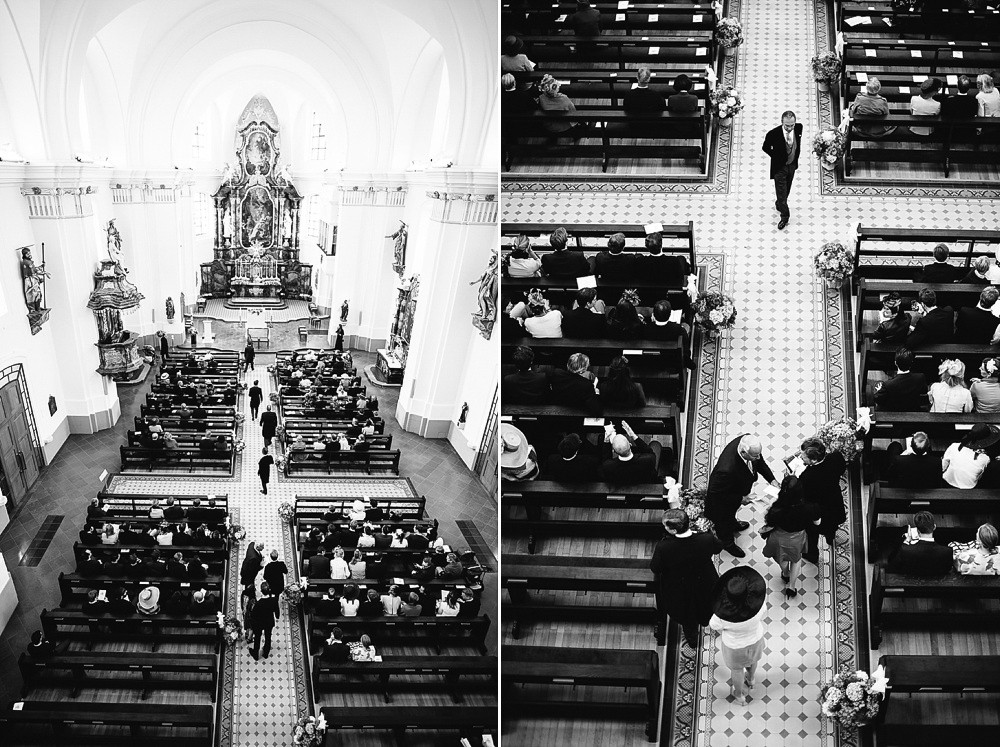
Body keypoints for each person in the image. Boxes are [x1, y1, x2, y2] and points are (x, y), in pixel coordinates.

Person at [649, 509, 723, 647]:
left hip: (679, 588)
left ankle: (693, 640)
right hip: (705, 581)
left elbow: (655, 568)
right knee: (707, 605)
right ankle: (706, 620)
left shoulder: (664, 547)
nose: (664, 528)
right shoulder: (705, 539)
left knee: (688, 618)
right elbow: (718, 547)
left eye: (666, 526)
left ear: (673, 531)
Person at [705, 434, 777, 558]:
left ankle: (733, 524)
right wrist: (741, 499)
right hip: (721, 501)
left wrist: (772, 480)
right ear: (744, 453)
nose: (758, 457)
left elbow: (760, 463)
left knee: (731, 515)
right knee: (723, 521)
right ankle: (727, 543)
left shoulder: (747, 442)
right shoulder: (725, 470)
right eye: (755, 456)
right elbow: (716, 493)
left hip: (734, 489)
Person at [708, 566, 768, 706]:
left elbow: (713, 625)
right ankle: (751, 679)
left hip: (734, 647)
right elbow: (764, 611)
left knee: (737, 670)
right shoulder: (758, 606)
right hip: (756, 639)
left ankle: (739, 694)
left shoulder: (722, 616)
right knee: (753, 661)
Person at [762, 476, 820, 597]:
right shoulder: (810, 507)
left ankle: (785, 574)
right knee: (796, 559)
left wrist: (762, 530)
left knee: (780, 558)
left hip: (778, 539)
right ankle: (791, 587)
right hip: (797, 539)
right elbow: (817, 523)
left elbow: (770, 526)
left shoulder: (776, 509)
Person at [797, 438, 847, 565]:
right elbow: (841, 468)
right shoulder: (835, 457)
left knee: (812, 534)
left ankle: (812, 554)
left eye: (803, 457)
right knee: (832, 525)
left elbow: (803, 496)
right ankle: (830, 537)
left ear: (813, 460)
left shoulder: (807, 477)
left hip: (817, 509)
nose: (801, 458)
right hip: (834, 501)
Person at [761, 110, 803, 230]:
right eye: (787, 125)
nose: (790, 128)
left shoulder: (799, 128)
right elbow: (765, 147)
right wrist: (777, 156)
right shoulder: (773, 134)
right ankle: (785, 216)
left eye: (792, 125)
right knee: (781, 193)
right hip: (780, 168)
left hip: (792, 166)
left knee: (787, 189)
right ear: (782, 122)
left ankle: (780, 203)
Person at [886, 512, 954, 576]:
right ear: (934, 527)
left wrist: (905, 542)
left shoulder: (905, 550)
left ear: (917, 530)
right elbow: (947, 570)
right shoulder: (947, 552)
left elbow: (892, 565)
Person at [942, 423, 999, 488]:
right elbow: (980, 476)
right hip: (969, 487)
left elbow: (943, 466)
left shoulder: (954, 446)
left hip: (947, 481)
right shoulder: (985, 459)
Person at [248, 581, 279, 660]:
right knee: (268, 637)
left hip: (259, 623)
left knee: (257, 638)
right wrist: (276, 615)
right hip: (269, 622)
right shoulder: (274, 600)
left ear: (261, 591)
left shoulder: (258, 604)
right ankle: (266, 653)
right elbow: (277, 613)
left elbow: (253, 615)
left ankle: (255, 654)